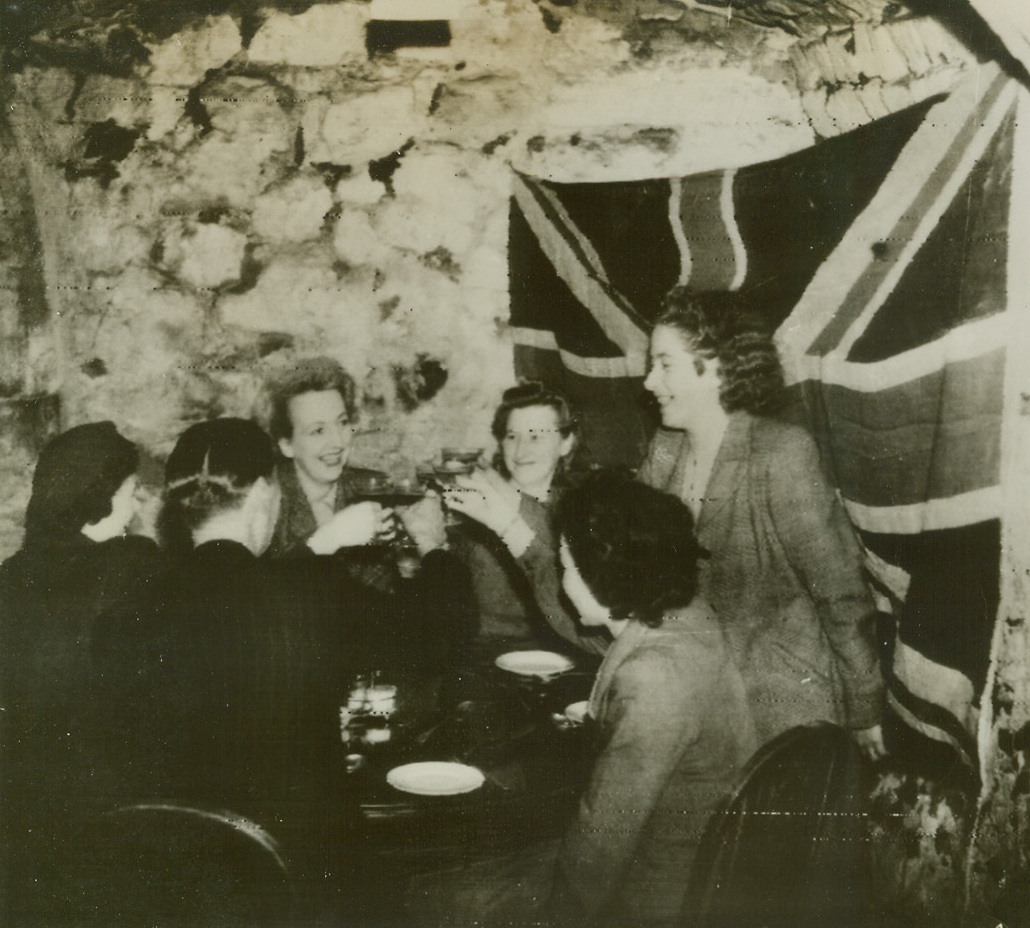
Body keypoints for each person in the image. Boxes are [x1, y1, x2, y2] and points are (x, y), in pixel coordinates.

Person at [149, 417, 475, 901]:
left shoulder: (133, 604)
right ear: (265, 493)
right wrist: (433, 543)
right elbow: (440, 637)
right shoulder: (308, 595)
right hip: (300, 871)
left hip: (174, 875)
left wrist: (318, 548)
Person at [414, 472, 755, 928]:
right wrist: (509, 527)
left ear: (603, 575)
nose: (561, 575)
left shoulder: (655, 677)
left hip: (653, 894)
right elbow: (587, 627)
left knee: (434, 893)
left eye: (566, 565)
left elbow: (603, 834)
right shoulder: (680, 613)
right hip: (680, 862)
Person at [639, 288, 886, 758]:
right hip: (697, 698)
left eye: (664, 364)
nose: (650, 381)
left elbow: (840, 593)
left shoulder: (781, 452)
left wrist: (865, 708)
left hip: (783, 706)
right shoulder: (665, 451)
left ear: (717, 367)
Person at [0, 423, 167, 918]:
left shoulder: (8, 575)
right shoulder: (130, 565)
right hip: (110, 816)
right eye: (131, 492)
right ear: (101, 497)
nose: (136, 506)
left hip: (20, 826)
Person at [454, 382, 581, 655]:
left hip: (562, 655)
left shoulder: (582, 511)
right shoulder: (472, 503)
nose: (520, 451)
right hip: (479, 654)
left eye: (535, 437)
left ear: (566, 443)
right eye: (512, 436)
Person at [263, 355, 398, 589]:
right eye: (318, 431)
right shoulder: (265, 505)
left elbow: (390, 588)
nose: (337, 442)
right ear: (286, 445)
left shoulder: (374, 487)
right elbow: (263, 593)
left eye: (342, 423)